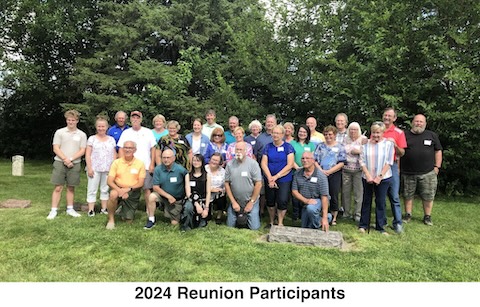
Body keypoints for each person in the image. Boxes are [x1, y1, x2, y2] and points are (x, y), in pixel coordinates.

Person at [401, 114, 443, 226]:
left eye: (421, 122)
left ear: (425, 124)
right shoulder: (404, 135)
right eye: (416, 121)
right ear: (412, 122)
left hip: (428, 172)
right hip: (408, 172)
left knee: (428, 195)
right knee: (407, 195)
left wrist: (437, 167)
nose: (418, 123)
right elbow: (399, 152)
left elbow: (438, 151)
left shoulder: (431, 135)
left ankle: (427, 216)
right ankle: (408, 214)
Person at [47, 109, 87, 220]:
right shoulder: (60, 132)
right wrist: (65, 159)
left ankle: (70, 209)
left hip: (75, 163)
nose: (71, 122)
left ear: (77, 121)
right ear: (66, 120)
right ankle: (53, 210)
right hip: (60, 162)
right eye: (69, 120)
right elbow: (56, 148)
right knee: (58, 187)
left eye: (73, 120)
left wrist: (71, 159)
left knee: (71, 187)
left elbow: (82, 150)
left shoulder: (82, 135)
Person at [358, 122, 394, 235]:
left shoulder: (388, 144)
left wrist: (380, 176)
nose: (375, 135)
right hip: (367, 176)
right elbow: (362, 161)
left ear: (383, 132)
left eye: (378, 132)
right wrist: (368, 175)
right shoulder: (365, 144)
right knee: (366, 200)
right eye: (373, 132)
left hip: (383, 178)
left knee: (380, 202)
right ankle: (363, 225)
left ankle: (380, 226)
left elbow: (389, 162)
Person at [117, 111, 156, 205]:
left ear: (141, 119)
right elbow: (121, 149)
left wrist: (152, 164)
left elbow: (153, 148)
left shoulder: (148, 132)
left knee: (146, 189)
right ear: (130, 119)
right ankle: (125, 207)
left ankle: (149, 209)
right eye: (133, 118)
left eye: (137, 118)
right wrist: (123, 164)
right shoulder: (126, 133)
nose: (135, 119)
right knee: (127, 187)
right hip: (129, 165)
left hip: (145, 165)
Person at [105, 141, 146, 229]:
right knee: (113, 194)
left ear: (135, 150)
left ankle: (122, 210)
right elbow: (109, 181)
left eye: (130, 148)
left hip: (132, 191)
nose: (128, 150)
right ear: (123, 149)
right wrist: (120, 191)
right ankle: (111, 220)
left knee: (128, 221)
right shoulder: (116, 162)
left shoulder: (140, 164)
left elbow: (141, 183)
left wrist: (128, 189)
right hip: (118, 188)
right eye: (126, 148)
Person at [144, 148, 189, 228]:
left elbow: (187, 180)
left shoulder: (180, 170)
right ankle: (151, 220)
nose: (166, 160)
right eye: (164, 157)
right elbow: (155, 187)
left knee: (174, 223)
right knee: (152, 196)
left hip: (176, 199)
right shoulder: (158, 169)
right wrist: (168, 196)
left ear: (174, 158)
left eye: (168, 157)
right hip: (163, 195)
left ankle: (177, 213)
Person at [261, 125, 295, 228]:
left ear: (282, 135)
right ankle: (271, 221)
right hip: (269, 178)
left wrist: (276, 176)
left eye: (277, 133)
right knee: (270, 201)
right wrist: (270, 177)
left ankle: (280, 222)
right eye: (273, 133)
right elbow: (263, 163)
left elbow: (290, 165)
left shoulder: (288, 147)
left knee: (282, 200)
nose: (275, 135)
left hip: (284, 179)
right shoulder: (267, 147)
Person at [225, 141, 262, 230]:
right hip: (236, 200)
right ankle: (240, 218)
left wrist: (251, 202)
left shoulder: (253, 164)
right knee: (229, 227)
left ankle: (245, 218)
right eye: (237, 149)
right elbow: (226, 183)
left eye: (241, 149)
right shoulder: (230, 164)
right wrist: (233, 202)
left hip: (251, 200)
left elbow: (258, 184)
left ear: (245, 151)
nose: (238, 151)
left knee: (254, 228)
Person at [313, 125, 346, 225]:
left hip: (335, 174)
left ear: (335, 135)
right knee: (321, 194)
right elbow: (314, 160)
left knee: (334, 194)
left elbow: (342, 162)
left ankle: (334, 217)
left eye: (330, 134)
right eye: (326, 134)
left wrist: (330, 171)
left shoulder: (340, 147)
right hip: (320, 173)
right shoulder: (320, 146)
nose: (328, 136)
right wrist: (322, 171)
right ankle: (323, 214)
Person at [85, 116, 117, 217]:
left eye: (103, 126)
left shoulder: (111, 140)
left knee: (105, 189)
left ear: (107, 127)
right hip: (94, 168)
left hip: (107, 168)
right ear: (96, 127)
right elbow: (88, 154)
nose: (101, 128)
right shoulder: (92, 139)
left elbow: (114, 154)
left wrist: (113, 167)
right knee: (92, 189)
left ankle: (104, 208)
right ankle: (91, 210)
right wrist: (89, 167)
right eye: (99, 126)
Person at [292, 152, 332, 230]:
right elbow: (294, 191)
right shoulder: (297, 173)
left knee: (311, 209)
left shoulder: (321, 176)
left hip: (319, 201)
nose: (305, 160)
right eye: (303, 158)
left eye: (307, 158)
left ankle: (324, 218)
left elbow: (324, 197)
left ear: (313, 160)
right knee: (305, 227)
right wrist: (306, 201)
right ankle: (326, 219)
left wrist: (324, 217)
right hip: (305, 202)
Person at [382, 107, 406, 233]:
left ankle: (398, 223)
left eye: (389, 116)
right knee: (380, 195)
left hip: (392, 166)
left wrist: (395, 145)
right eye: (385, 115)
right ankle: (382, 221)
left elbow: (402, 152)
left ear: (394, 118)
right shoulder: (378, 129)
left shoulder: (398, 132)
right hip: (379, 166)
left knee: (394, 196)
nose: (387, 118)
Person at [290, 124, 316, 220]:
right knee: (295, 192)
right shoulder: (292, 143)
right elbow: (290, 159)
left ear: (308, 133)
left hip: (307, 172)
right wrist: (298, 169)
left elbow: (312, 158)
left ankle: (303, 213)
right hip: (295, 171)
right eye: (300, 131)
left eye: (304, 132)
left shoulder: (311, 145)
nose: (302, 133)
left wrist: (305, 168)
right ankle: (295, 213)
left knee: (305, 191)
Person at [342, 122, 365, 222]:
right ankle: (346, 212)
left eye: (355, 129)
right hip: (346, 169)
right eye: (351, 129)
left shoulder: (363, 139)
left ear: (359, 130)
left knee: (358, 193)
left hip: (358, 170)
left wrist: (358, 151)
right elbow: (341, 151)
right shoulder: (345, 139)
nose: (353, 131)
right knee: (345, 192)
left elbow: (367, 151)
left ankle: (357, 213)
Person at [181, 154, 212, 231]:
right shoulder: (188, 176)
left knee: (201, 225)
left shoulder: (207, 176)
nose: (196, 162)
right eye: (194, 160)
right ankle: (186, 226)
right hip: (191, 200)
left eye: (198, 161)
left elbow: (208, 193)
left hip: (203, 200)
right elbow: (188, 193)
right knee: (188, 207)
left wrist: (206, 208)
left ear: (202, 162)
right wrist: (196, 203)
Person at [205, 153, 226, 224]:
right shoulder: (204, 169)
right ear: (210, 160)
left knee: (222, 197)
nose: (214, 162)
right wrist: (210, 189)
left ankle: (219, 216)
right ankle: (208, 211)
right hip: (205, 192)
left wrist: (222, 190)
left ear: (220, 163)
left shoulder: (223, 171)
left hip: (218, 193)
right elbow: (200, 184)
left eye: (216, 160)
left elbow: (225, 184)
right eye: (213, 159)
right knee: (207, 218)